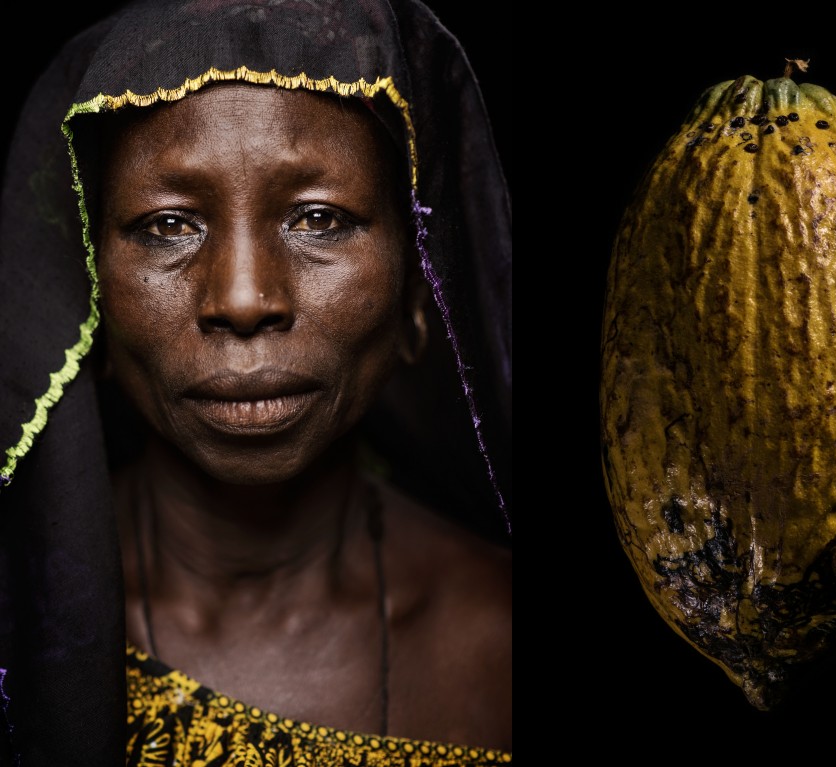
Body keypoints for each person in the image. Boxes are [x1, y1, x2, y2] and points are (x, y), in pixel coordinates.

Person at [0, 0, 512, 764]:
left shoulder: (500, 639)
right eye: (168, 224)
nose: (242, 299)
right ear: (88, 300)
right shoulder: (17, 626)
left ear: (417, 292)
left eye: (319, 218)